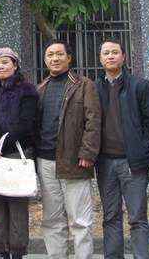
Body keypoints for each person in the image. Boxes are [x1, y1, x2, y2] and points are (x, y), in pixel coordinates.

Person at [35, 40, 101, 259]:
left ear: (69, 58)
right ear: (45, 60)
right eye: (50, 55)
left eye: (59, 54)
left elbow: (93, 121)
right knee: (52, 220)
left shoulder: (84, 85)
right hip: (46, 161)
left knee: (80, 221)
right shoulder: (40, 88)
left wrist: (88, 152)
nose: (54, 58)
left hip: (74, 160)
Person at [95, 38, 149, 259]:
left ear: (123, 57)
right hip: (105, 162)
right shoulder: (94, 88)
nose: (110, 56)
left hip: (133, 162)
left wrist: (139, 145)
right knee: (110, 216)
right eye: (106, 53)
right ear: (100, 59)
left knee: (137, 217)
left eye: (115, 52)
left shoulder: (140, 86)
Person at [0, 48, 39, 259]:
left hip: (16, 154)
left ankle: (17, 253)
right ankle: (1, 252)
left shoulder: (27, 91)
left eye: (5, 62)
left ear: (15, 65)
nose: (1, 66)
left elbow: (26, 125)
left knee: (17, 210)